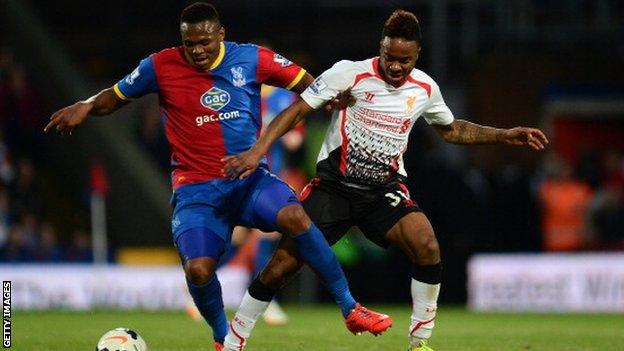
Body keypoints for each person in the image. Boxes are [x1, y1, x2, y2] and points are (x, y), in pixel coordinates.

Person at [43, 3, 391, 350]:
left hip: (249, 181)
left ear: (220, 35)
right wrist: (87, 106)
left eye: (204, 42)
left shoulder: (253, 58)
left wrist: (329, 97)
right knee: (198, 271)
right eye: (189, 43)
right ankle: (222, 337)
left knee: (295, 215)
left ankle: (350, 308)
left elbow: (307, 84)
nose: (197, 50)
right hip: (196, 191)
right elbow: (116, 97)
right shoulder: (161, 65)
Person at [222, 9, 549, 351]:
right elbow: (298, 110)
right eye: (390, 57)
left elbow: (451, 129)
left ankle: (419, 342)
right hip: (334, 188)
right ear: (381, 48)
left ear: (416, 55)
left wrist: (505, 134)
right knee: (281, 265)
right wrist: (258, 150)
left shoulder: (424, 87)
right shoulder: (349, 73)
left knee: (427, 244)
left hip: (384, 191)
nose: (396, 66)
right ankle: (234, 340)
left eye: (404, 61)